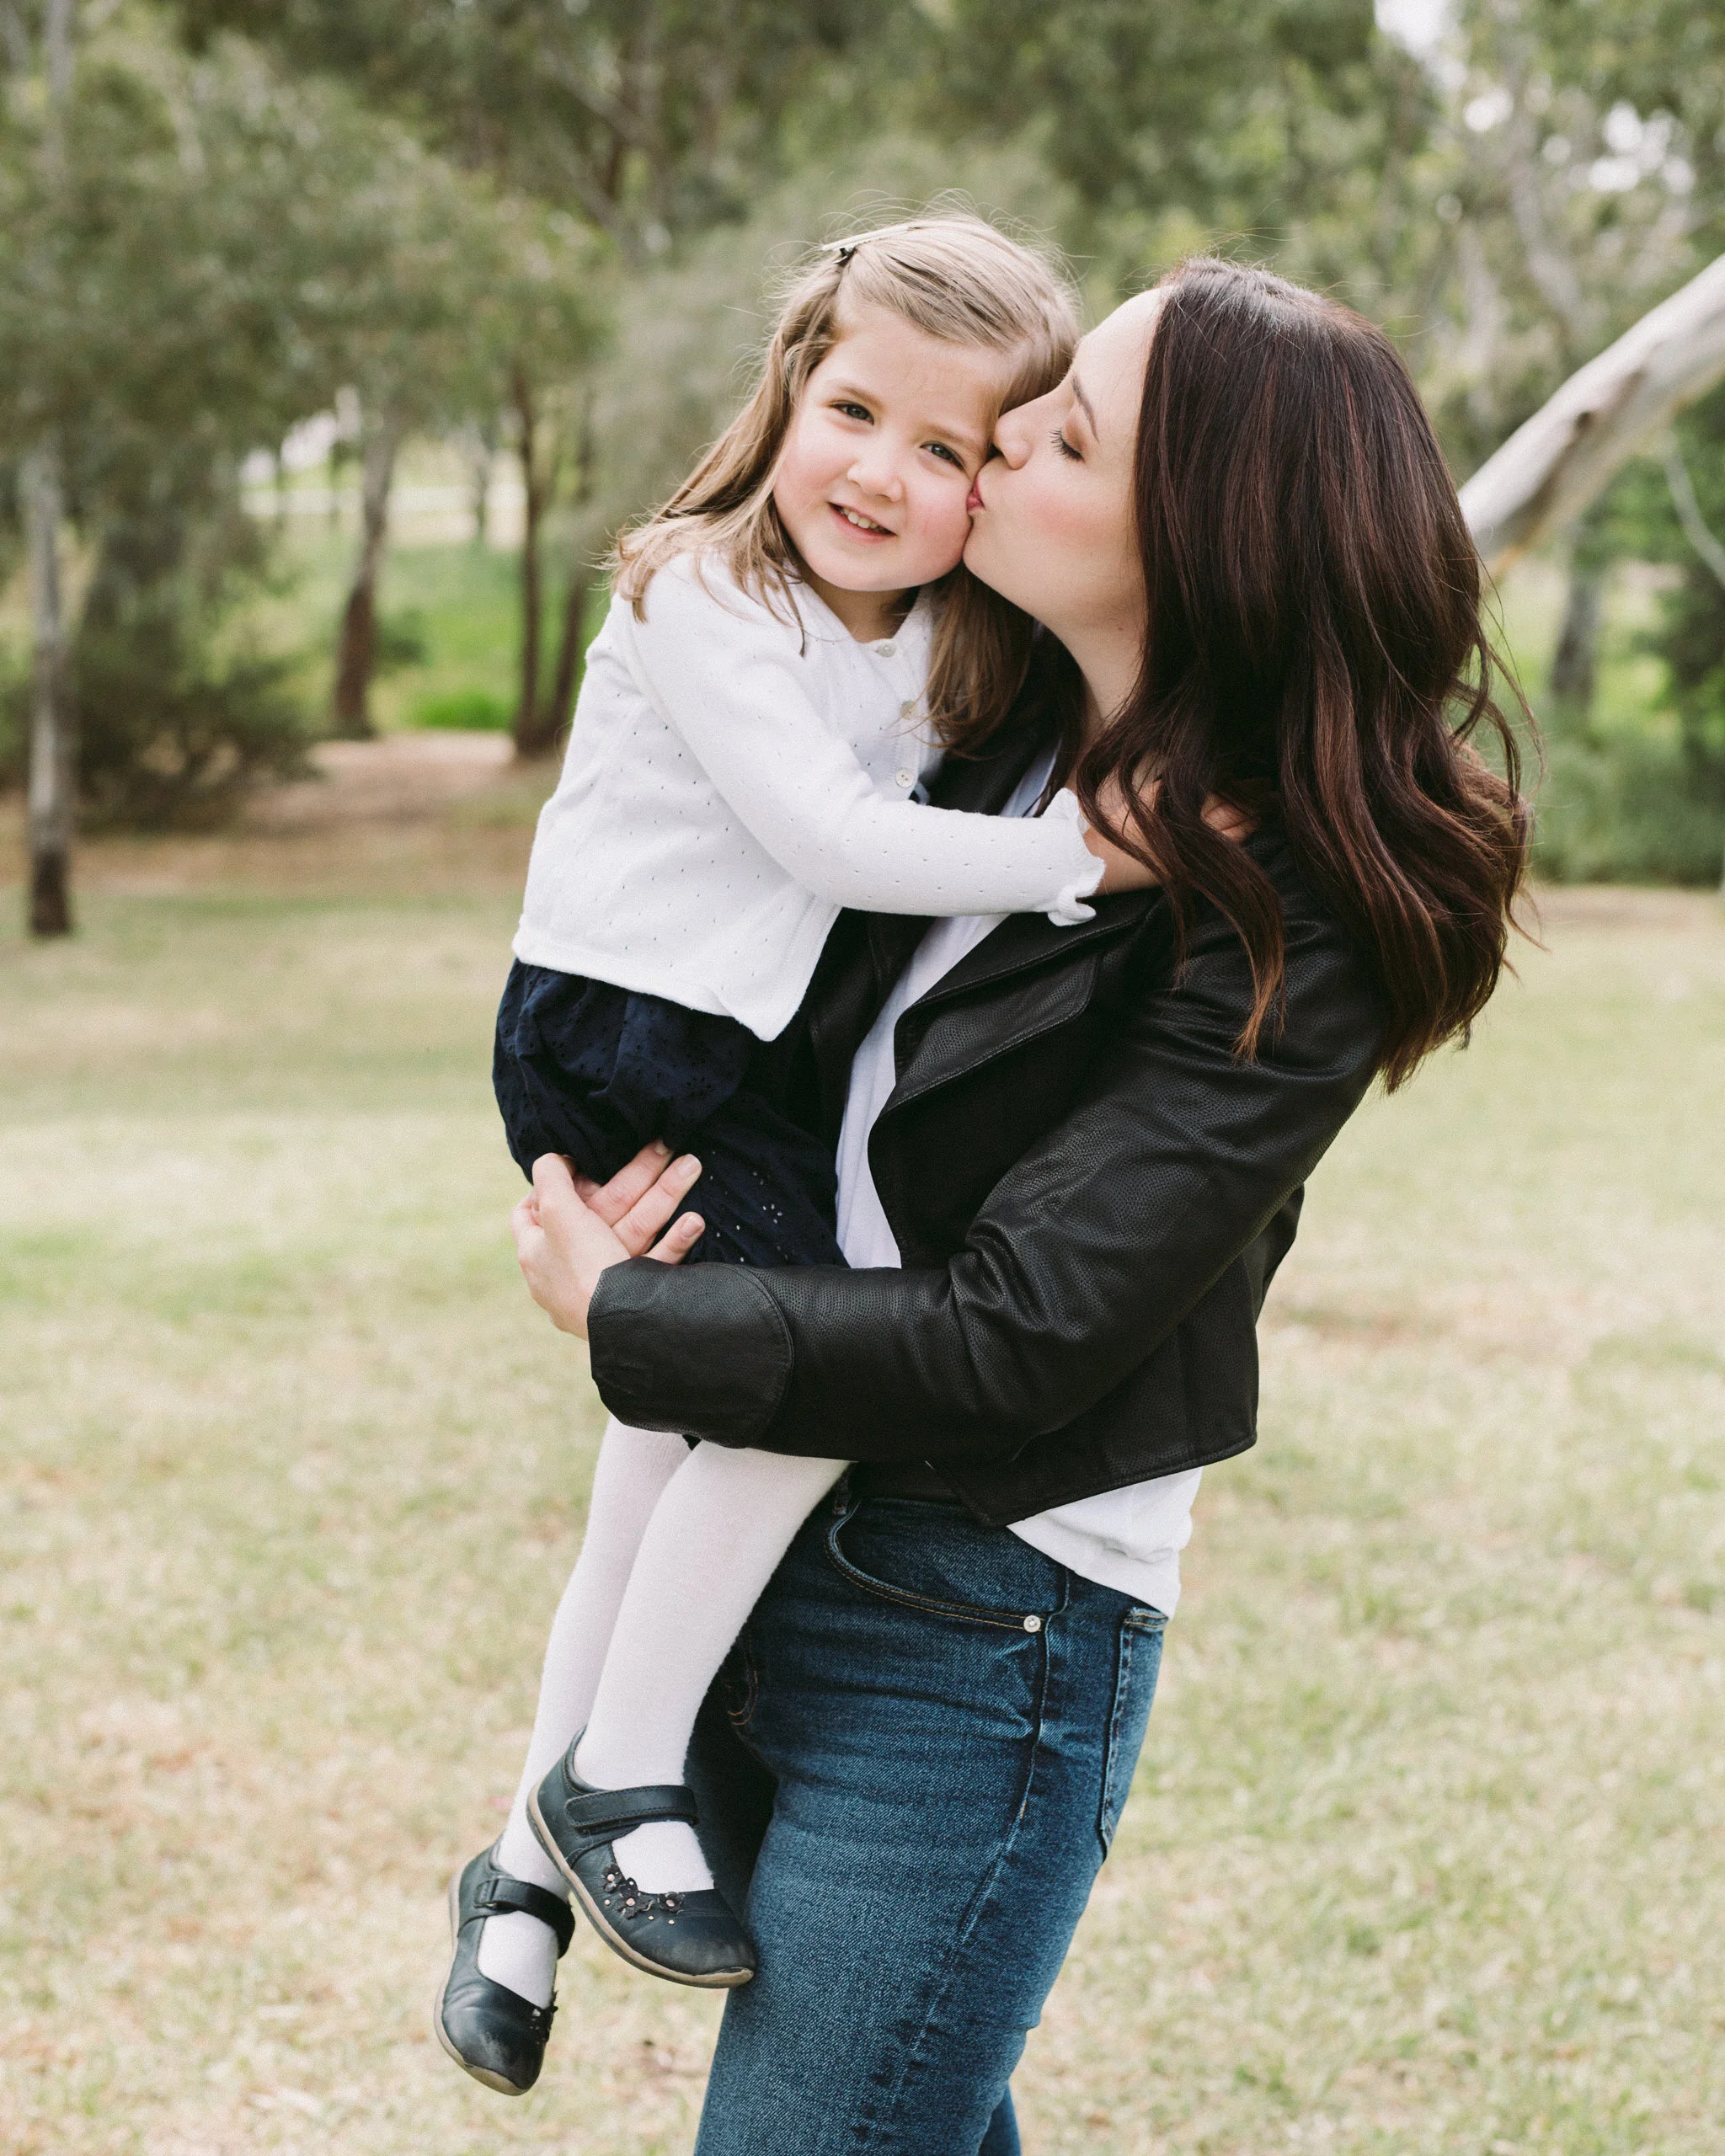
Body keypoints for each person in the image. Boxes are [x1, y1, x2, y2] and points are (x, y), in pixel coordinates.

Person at [510, 257, 1531, 2155]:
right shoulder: (984, 738)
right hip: (781, 1556)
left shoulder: (1274, 899)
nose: (969, 474)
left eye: (1048, 437)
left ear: (1196, 543)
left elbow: (1018, 1327)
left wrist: (629, 1316)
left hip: (982, 1629)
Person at [435, 216, 1164, 2099]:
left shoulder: (937, 644)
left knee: (663, 1440)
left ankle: (520, 1868)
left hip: (741, 1057)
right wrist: (1081, 852)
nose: (880, 470)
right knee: (784, 1389)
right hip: (618, 1043)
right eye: (853, 408)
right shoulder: (700, 590)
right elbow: (831, 839)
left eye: (948, 449)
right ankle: (621, 1765)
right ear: (787, 390)